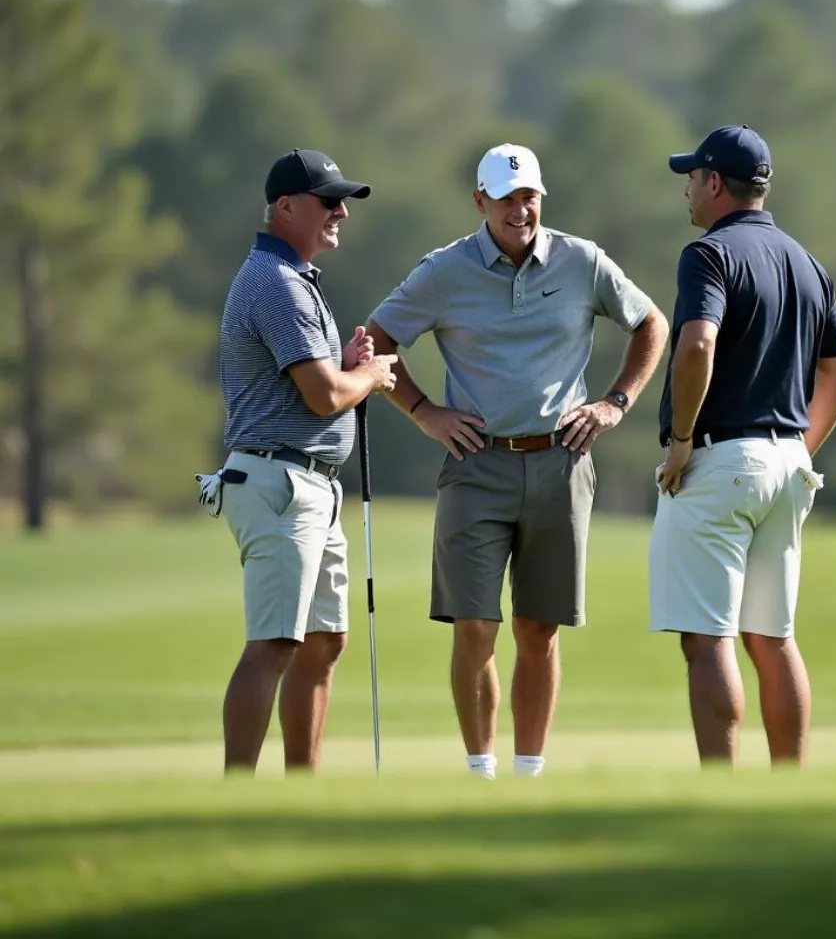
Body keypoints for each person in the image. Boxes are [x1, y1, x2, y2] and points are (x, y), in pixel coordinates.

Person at [365, 143, 669, 779]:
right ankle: (481, 774)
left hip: (561, 464)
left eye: (529, 195)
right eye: (505, 198)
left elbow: (650, 324)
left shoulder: (581, 260)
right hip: (476, 466)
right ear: (480, 202)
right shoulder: (444, 271)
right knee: (474, 627)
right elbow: (376, 339)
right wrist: (425, 412)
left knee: (539, 630)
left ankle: (529, 775)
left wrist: (615, 403)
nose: (520, 209)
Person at [650, 125, 836, 766]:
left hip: (720, 462)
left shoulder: (707, 254)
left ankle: (722, 786)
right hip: (790, 465)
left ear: (714, 183)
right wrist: (802, 450)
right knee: (773, 637)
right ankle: (787, 786)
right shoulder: (807, 261)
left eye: (692, 178)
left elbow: (697, 344)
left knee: (707, 639)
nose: (687, 190)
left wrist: (682, 441)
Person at [215, 148, 398, 773]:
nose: (341, 212)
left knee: (323, 642)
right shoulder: (274, 282)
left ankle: (302, 788)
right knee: (273, 644)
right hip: (278, 483)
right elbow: (323, 397)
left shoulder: (293, 281)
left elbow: (318, 381)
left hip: (309, 485)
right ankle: (237, 791)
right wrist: (369, 376)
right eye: (329, 202)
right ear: (286, 207)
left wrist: (350, 364)